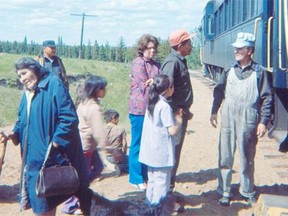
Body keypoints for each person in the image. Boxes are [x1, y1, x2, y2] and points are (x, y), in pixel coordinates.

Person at [5, 57, 90, 215]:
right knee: (40, 206)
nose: (22, 78)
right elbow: (23, 119)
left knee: (45, 206)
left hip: (49, 160)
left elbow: (69, 118)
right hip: (32, 160)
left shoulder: (53, 84)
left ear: (35, 69)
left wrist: (56, 143)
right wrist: (14, 133)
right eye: (19, 76)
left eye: (24, 73)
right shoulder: (28, 93)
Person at [210, 32, 273, 206]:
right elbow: (219, 90)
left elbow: (267, 98)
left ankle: (247, 190)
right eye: (236, 48)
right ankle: (224, 191)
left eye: (240, 48)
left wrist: (263, 122)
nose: (236, 51)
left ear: (249, 50)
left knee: (247, 156)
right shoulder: (229, 69)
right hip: (228, 116)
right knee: (225, 155)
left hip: (249, 118)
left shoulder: (259, 72)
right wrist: (214, 111)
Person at [62, 75, 107, 214]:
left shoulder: (84, 102)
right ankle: (71, 204)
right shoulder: (93, 107)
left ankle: (80, 192)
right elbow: (99, 131)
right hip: (86, 146)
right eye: (103, 88)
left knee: (97, 168)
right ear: (98, 89)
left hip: (84, 145)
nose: (105, 91)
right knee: (82, 177)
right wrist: (106, 149)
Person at [139, 74, 183, 206]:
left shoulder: (152, 102)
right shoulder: (164, 106)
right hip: (161, 154)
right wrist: (179, 119)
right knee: (162, 184)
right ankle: (158, 209)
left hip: (150, 151)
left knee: (152, 181)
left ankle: (149, 206)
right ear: (169, 89)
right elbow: (172, 130)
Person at [160, 29, 194, 191]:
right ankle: (168, 190)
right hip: (175, 116)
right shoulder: (172, 62)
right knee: (172, 152)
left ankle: (168, 189)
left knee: (175, 151)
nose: (191, 46)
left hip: (179, 112)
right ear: (180, 45)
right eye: (189, 43)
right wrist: (175, 111)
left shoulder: (178, 60)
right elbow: (164, 91)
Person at [128, 34, 160, 190]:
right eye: (149, 48)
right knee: (137, 143)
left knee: (148, 143)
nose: (152, 51)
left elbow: (159, 83)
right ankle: (136, 178)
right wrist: (155, 83)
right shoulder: (137, 63)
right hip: (138, 109)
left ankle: (146, 174)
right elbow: (145, 87)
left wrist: (155, 82)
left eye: (154, 48)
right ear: (142, 48)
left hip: (152, 109)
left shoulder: (155, 65)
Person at [103, 109, 129, 177]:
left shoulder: (102, 129)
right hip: (118, 156)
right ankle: (121, 167)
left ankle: (120, 165)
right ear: (113, 118)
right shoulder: (120, 129)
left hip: (107, 156)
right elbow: (124, 144)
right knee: (134, 164)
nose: (118, 120)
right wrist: (124, 153)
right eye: (117, 118)